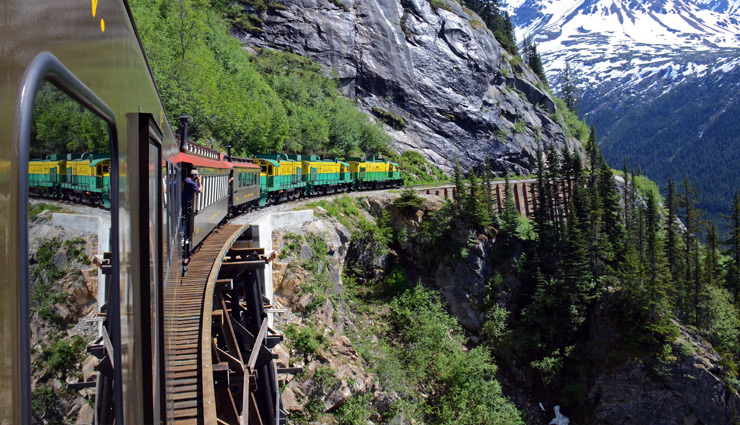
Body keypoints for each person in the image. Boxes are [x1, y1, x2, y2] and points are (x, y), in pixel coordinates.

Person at [181, 169, 202, 259]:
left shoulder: (184, 180)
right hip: (185, 206)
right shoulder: (190, 183)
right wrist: (200, 182)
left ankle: (183, 238)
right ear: (194, 177)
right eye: (196, 177)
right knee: (183, 222)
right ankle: (182, 239)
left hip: (182, 205)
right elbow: (200, 191)